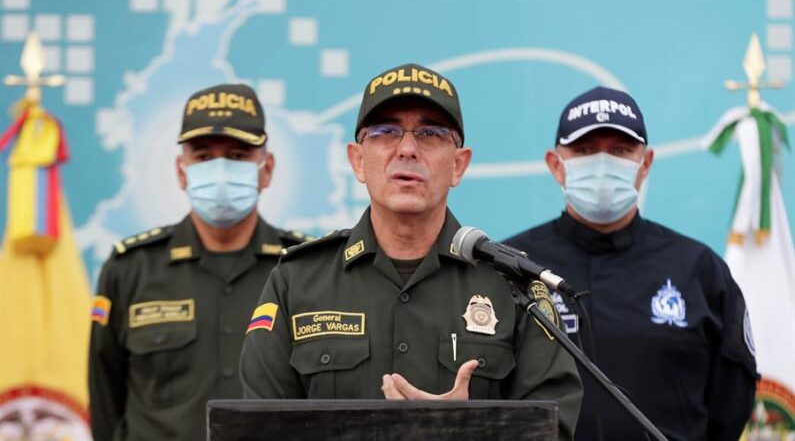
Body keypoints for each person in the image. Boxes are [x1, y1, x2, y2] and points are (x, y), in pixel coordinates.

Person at [239, 63, 583, 439]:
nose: (407, 149)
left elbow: (554, 428)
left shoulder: (512, 286)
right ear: (357, 159)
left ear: (459, 164)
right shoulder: (297, 281)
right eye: (386, 131)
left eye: (430, 133)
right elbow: (259, 428)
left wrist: (462, 432)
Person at [503, 86, 758, 441]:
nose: (603, 163)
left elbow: (730, 404)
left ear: (646, 163)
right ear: (555, 165)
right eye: (585, 150)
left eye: (620, 150)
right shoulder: (510, 267)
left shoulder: (699, 270)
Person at [88, 83, 311, 441]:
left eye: (238, 156)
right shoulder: (129, 270)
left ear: (266, 169)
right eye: (203, 157)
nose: (220, 170)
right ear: (181, 170)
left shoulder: (304, 271)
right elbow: (105, 402)